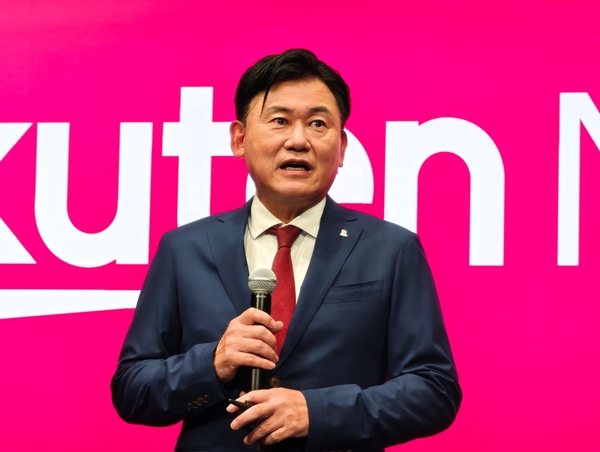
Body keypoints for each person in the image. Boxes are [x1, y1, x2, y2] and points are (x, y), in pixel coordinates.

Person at [111, 48, 462, 452]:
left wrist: (317, 411)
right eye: (279, 121)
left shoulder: (391, 249)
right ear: (240, 138)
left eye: (317, 124)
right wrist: (213, 363)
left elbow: (434, 389)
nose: (298, 140)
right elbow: (132, 390)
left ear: (342, 147)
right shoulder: (184, 249)